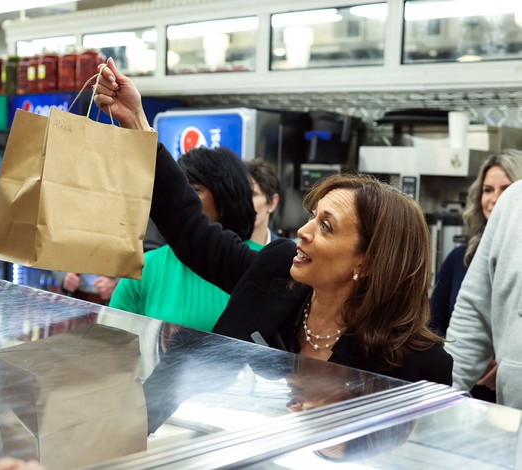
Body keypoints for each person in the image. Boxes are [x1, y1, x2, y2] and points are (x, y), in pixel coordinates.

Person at [93, 58, 451, 384]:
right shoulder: (277, 274)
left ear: (369, 260)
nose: (303, 232)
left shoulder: (417, 363)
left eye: (326, 226)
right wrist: (138, 124)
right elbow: (192, 232)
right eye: (312, 217)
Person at [108, 146, 258, 332]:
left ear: (224, 198)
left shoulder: (262, 265)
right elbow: (110, 342)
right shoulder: (145, 267)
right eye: (178, 190)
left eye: (194, 190)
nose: (183, 198)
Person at [430, 152, 522, 400]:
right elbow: (473, 313)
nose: (493, 198)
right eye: (487, 189)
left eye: (502, 188)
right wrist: (439, 401)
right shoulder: (514, 202)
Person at [246, 159, 281, 245]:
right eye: (242, 193)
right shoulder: (224, 248)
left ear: (272, 203)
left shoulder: (284, 253)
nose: (245, 201)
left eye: (253, 194)